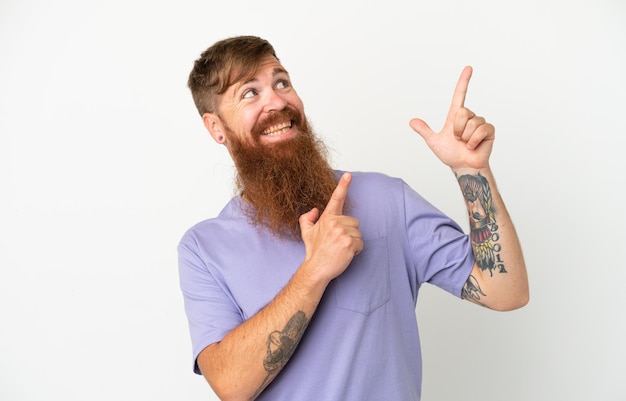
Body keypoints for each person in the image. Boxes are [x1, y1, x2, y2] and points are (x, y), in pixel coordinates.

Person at [178, 35, 529, 401]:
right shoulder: (203, 248)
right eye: (250, 93)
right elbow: (232, 387)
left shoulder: (387, 200)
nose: (278, 100)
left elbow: (506, 291)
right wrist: (315, 271)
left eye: (281, 82)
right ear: (216, 128)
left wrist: (471, 171)